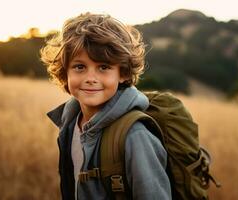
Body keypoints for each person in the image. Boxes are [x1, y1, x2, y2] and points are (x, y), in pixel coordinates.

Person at [40, 12, 172, 200]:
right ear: (65, 72)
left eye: (103, 67)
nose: (90, 78)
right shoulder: (69, 124)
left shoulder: (135, 135)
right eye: (79, 67)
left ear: (123, 73)